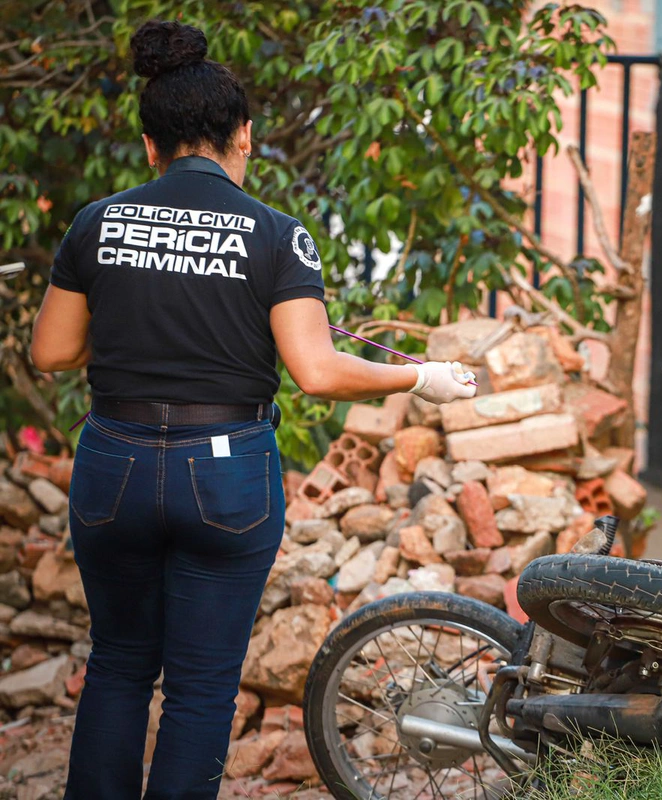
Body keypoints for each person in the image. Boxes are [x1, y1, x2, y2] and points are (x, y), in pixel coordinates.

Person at [29, 20, 475, 799]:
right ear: (244, 137)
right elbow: (315, 371)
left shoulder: (95, 224)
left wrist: (142, 336)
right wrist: (418, 378)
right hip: (225, 475)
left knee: (119, 664)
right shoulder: (276, 235)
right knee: (201, 685)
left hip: (115, 466)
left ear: (148, 146)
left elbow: (53, 353)